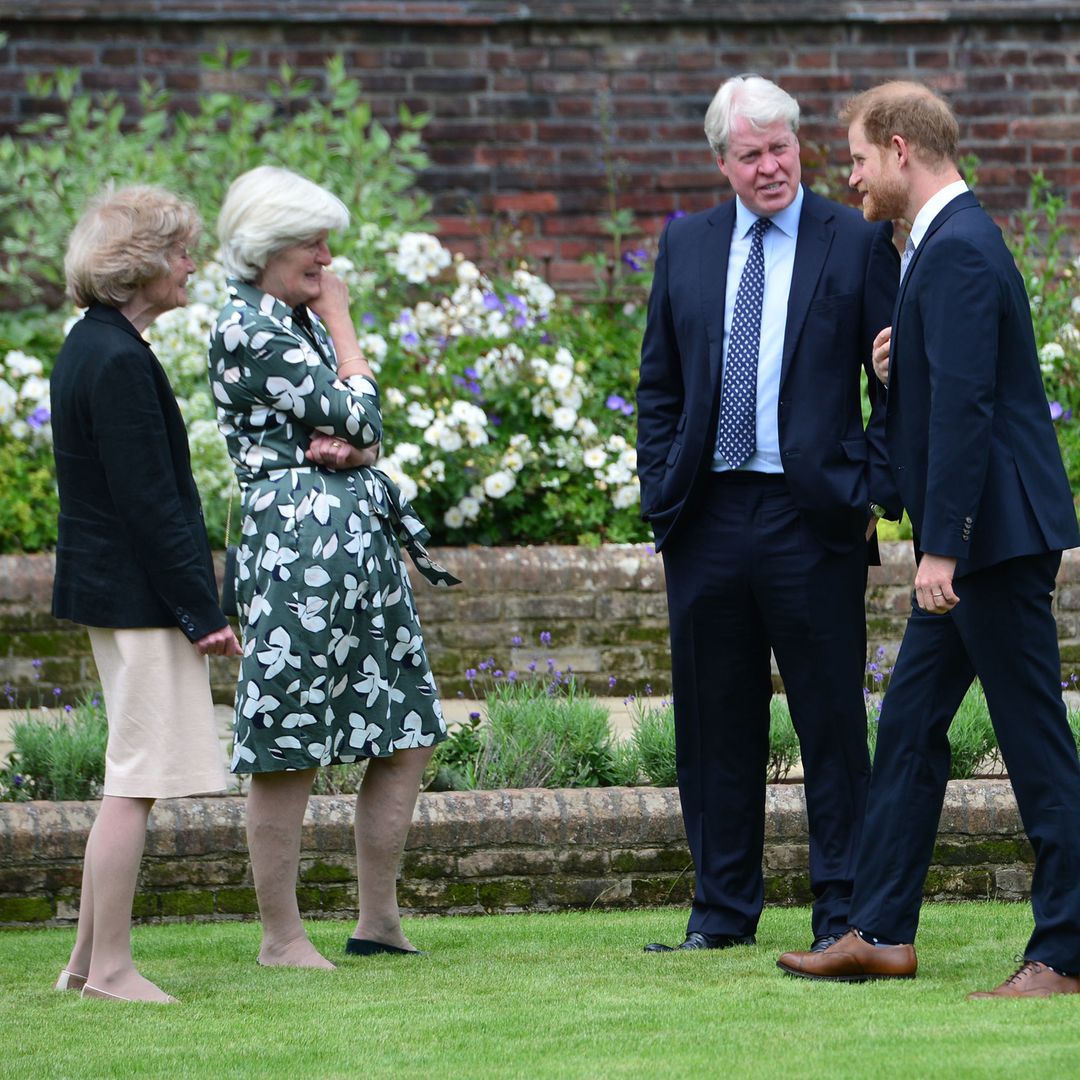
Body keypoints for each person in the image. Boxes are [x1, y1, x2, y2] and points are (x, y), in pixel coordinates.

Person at [776, 81, 1080, 998]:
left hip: (989, 544)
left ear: (902, 149)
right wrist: (894, 362)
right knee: (908, 728)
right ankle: (879, 931)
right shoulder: (940, 249)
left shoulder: (958, 250)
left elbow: (970, 416)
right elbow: (947, 385)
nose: (852, 178)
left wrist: (941, 546)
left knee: (1035, 745)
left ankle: (1065, 950)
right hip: (978, 540)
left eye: (860, 159)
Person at [636, 75, 900, 954]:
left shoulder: (854, 240)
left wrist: (870, 487)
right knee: (715, 724)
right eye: (750, 154)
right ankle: (719, 915)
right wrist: (662, 495)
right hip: (706, 516)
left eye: (781, 147)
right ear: (722, 162)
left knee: (830, 722)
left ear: (800, 146)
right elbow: (659, 387)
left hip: (812, 516)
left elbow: (897, 382)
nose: (770, 166)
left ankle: (842, 916)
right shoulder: (687, 246)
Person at [209, 165, 458, 969]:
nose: (327, 257)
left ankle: (376, 921)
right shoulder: (252, 326)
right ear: (267, 246)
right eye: (313, 242)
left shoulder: (288, 316)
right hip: (298, 553)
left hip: (355, 544)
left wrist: (359, 442)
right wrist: (346, 330)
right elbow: (359, 408)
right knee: (290, 741)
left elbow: (363, 430)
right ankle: (282, 938)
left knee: (405, 726)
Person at [50, 185, 242, 1004]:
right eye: (180, 252)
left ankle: (83, 965)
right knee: (134, 783)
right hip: (138, 600)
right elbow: (151, 502)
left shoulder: (90, 345)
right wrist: (202, 612)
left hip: (116, 594)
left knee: (125, 776)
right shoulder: (119, 358)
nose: (191, 266)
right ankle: (112, 971)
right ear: (141, 266)